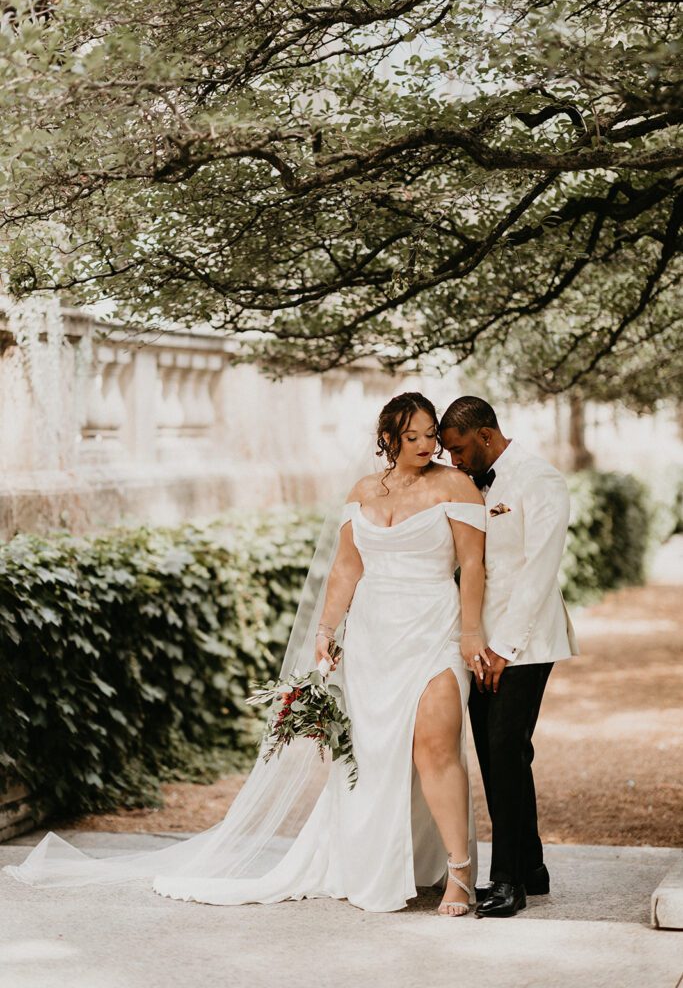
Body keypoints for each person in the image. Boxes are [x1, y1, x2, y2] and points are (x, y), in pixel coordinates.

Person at [5, 392, 487, 917]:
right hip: (373, 639)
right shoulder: (364, 490)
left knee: (435, 746)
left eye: (430, 434)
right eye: (411, 436)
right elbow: (347, 568)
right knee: (372, 756)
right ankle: (376, 859)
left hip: (433, 630)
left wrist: (471, 632)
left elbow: (473, 564)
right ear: (389, 439)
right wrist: (326, 630)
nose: (424, 444)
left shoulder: (455, 485)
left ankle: (460, 873)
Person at [439, 395, 578, 918]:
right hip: (476, 642)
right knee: (500, 755)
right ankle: (533, 865)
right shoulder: (468, 483)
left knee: (504, 748)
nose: (452, 460)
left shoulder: (539, 480)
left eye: (458, 449)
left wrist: (504, 648)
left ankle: (508, 881)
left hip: (525, 642)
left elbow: (538, 572)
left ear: (487, 437)